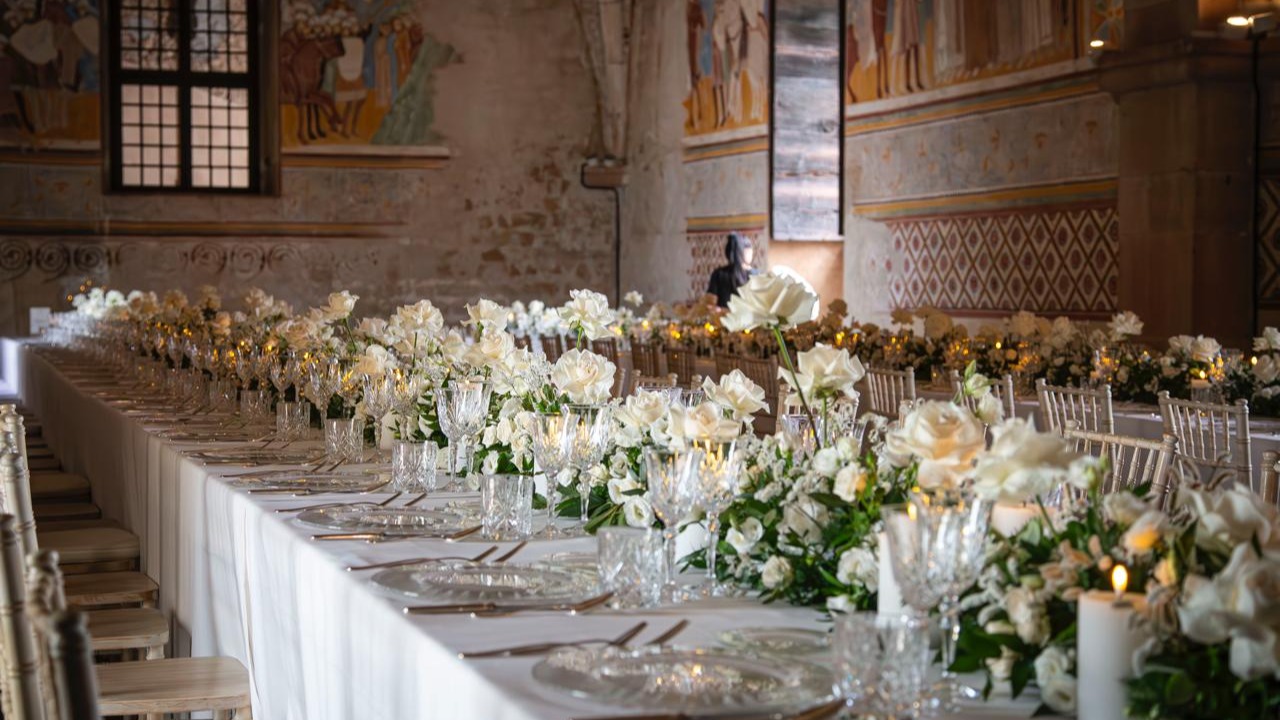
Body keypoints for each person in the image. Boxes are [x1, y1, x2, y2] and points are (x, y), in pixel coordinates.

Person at [707, 233, 755, 307]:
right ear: (744, 252)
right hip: (748, 318)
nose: (752, 253)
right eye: (750, 250)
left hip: (723, 317)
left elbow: (710, 303)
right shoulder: (755, 275)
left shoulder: (718, 274)